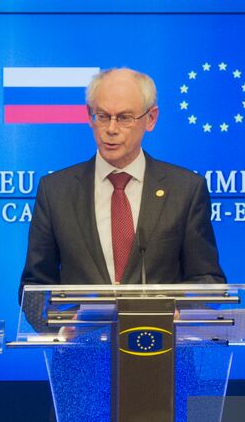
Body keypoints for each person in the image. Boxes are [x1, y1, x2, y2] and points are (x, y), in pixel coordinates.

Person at [20, 67, 225, 298]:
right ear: (90, 116)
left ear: (151, 119)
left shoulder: (185, 190)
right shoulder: (55, 191)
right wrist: (60, 328)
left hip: (158, 333)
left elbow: (206, 280)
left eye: (125, 118)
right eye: (103, 116)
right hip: (80, 334)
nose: (111, 129)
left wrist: (178, 313)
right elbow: (34, 287)